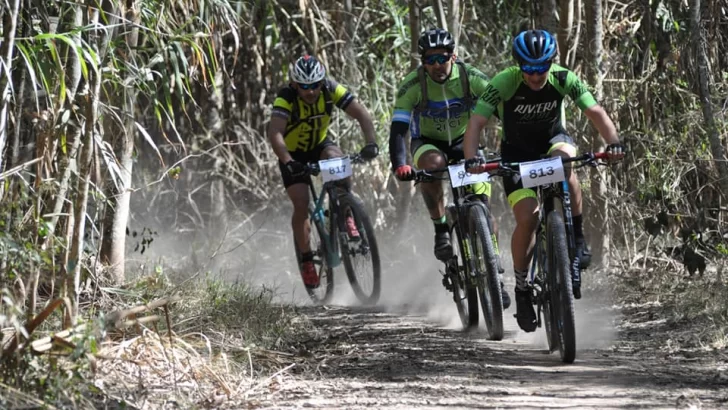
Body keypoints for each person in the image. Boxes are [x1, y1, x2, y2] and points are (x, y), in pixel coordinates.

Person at [463, 29, 625, 332]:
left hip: (553, 142)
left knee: (565, 163)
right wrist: (472, 158)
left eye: (542, 67)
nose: (536, 75)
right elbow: (476, 123)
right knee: (528, 219)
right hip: (516, 154)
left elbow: (595, 111)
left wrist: (613, 142)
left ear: (552, 62)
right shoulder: (503, 83)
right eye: (528, 68)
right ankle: (523, 288)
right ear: (518, 65)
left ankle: (575, 237)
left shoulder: (564, 78)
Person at [389, 28, 510, 309]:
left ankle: (496, 276)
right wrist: (400, 165)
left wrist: (512, 147)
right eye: (429, 60)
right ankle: (441, 228)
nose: (435, 65)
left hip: (464, 143)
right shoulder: (412, 85)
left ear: (452, 56)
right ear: (422, 61)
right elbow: (398, 130)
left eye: (441, 58)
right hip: (428, 143)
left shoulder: (471, 77)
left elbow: (502, 109)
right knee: (433, 165)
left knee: (483, 209)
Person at [268, 55, 379, 289]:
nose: (311, 92)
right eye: (305, 87)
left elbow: (362, 114)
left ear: (322, 81)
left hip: (319, 145)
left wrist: (370, 144)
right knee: (301, 202)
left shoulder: (330, 89)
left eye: (315, 85)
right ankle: (307, 259)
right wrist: (287, 160)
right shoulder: (286, 97)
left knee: (336, 158)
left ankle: (346, 211)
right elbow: (275, 132)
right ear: (295, 84)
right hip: (293, 154)